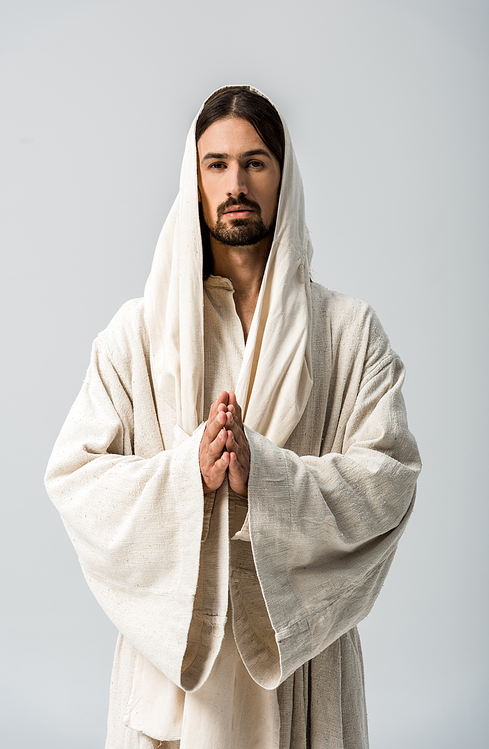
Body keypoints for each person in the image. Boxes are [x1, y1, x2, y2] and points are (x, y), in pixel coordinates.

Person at [45, 85, 421, 749]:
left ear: (285, 176)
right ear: (193, 178)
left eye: (255, 162)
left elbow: (388, 481)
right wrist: (187, 474)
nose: (236, 182)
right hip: (174, 690)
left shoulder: (349, 331)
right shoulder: (136, 334)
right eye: (216, 163)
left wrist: (267, 480)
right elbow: (77, 479)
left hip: (301, 674)